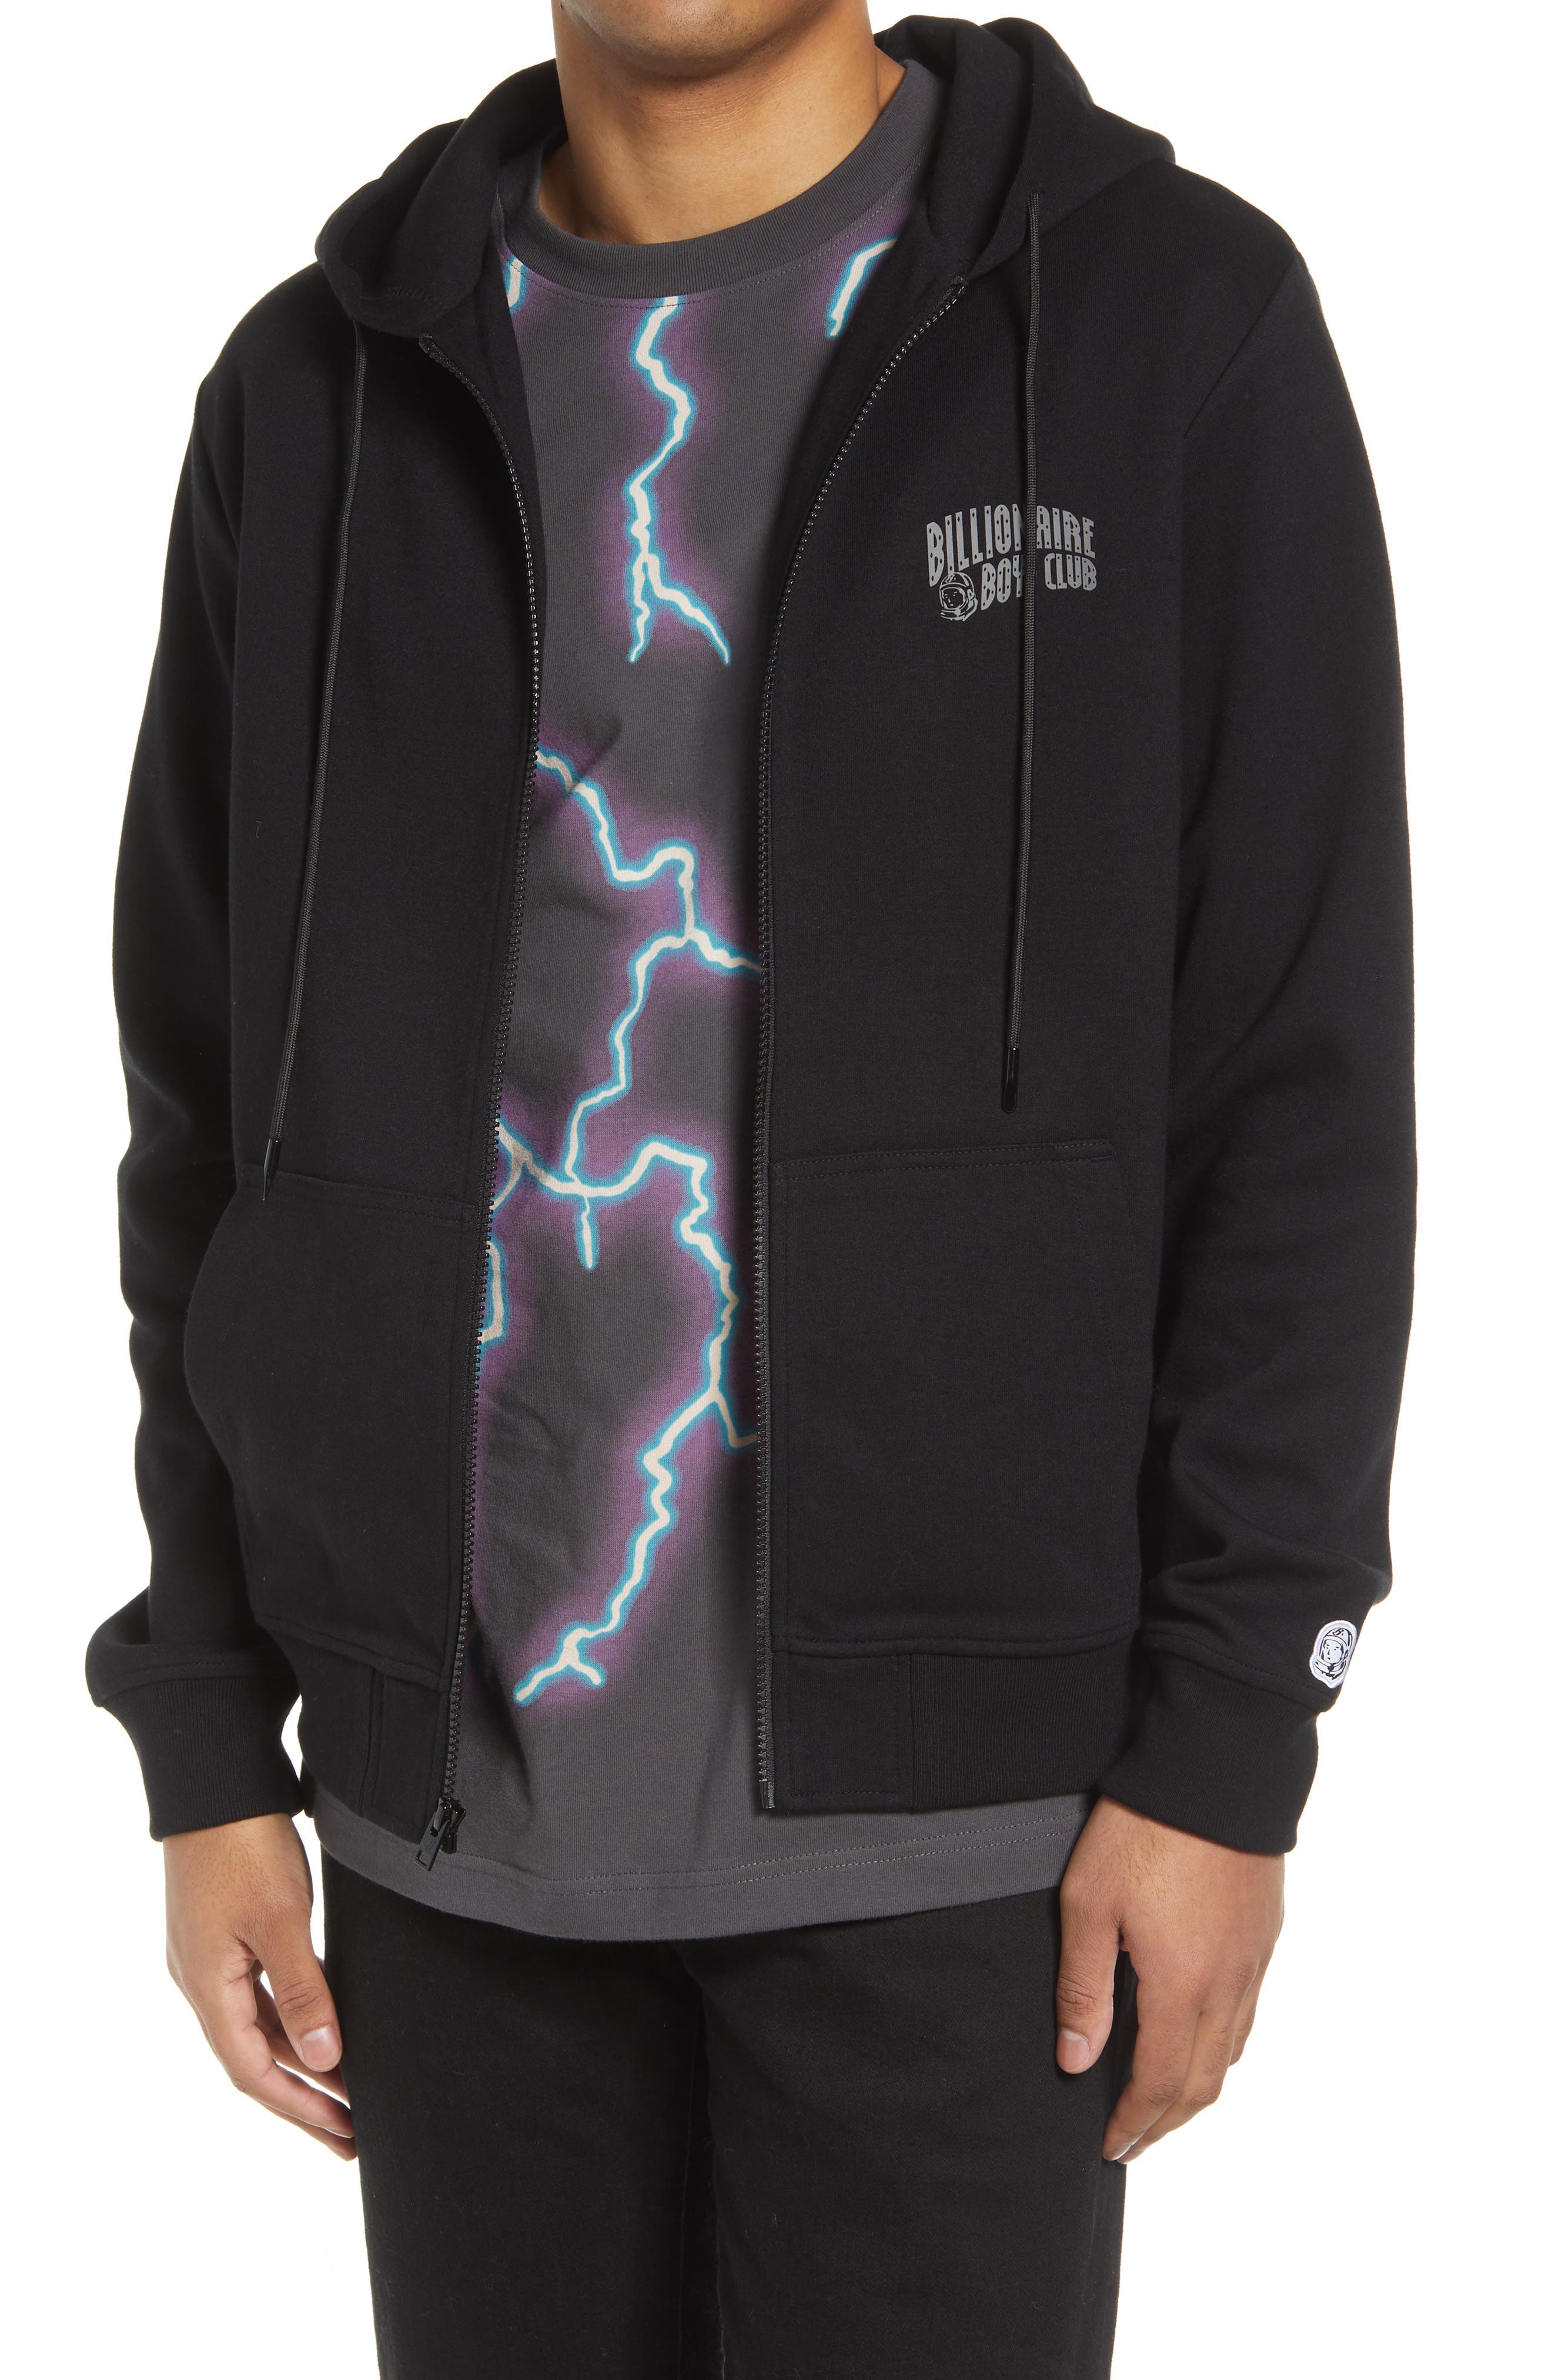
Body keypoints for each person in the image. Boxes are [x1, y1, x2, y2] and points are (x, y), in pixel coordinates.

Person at [86, 6, 1413, 2374]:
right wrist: (209, 1732)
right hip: (447, 1845)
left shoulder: (1168, 329)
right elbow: (205, 1110)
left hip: (971, 1854)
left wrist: (1230, 1743)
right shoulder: (312, 395)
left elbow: (1298, 1091)